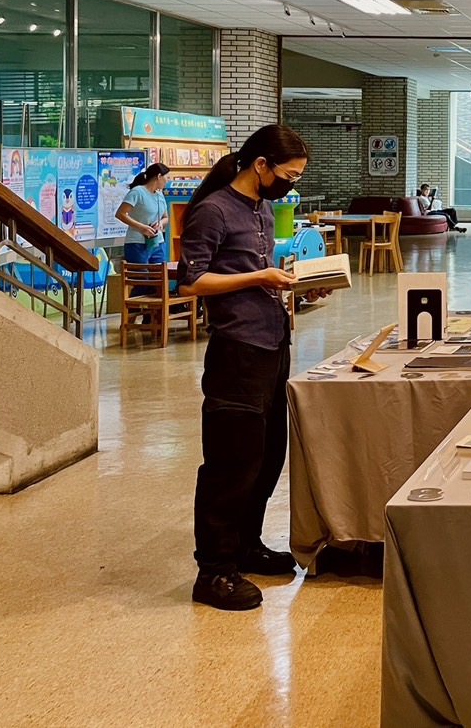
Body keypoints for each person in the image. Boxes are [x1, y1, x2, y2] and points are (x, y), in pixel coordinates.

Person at [178, 125, 332, 611]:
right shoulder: (213, 210)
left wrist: (296, 286)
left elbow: (256, 278)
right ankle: (215, 571)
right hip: (237, 352)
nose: (291, 184)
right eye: (288, 175)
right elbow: (191, 282)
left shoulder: (262, 207)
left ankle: (246, 544)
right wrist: (260, 276)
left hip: (273, 343)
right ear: (260, 165)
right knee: (232, 463)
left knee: (267, 458)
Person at [115, 162, 171, 266]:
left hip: (157, 242)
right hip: (137, 243)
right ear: (159, 176)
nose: (167, 181)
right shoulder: (137, 192)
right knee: (141, 278)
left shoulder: (160, 195)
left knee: (159, 277)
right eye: (166, 177)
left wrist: (160, 224)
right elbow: (120, 214)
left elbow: (166, 218)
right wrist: (142, 227)